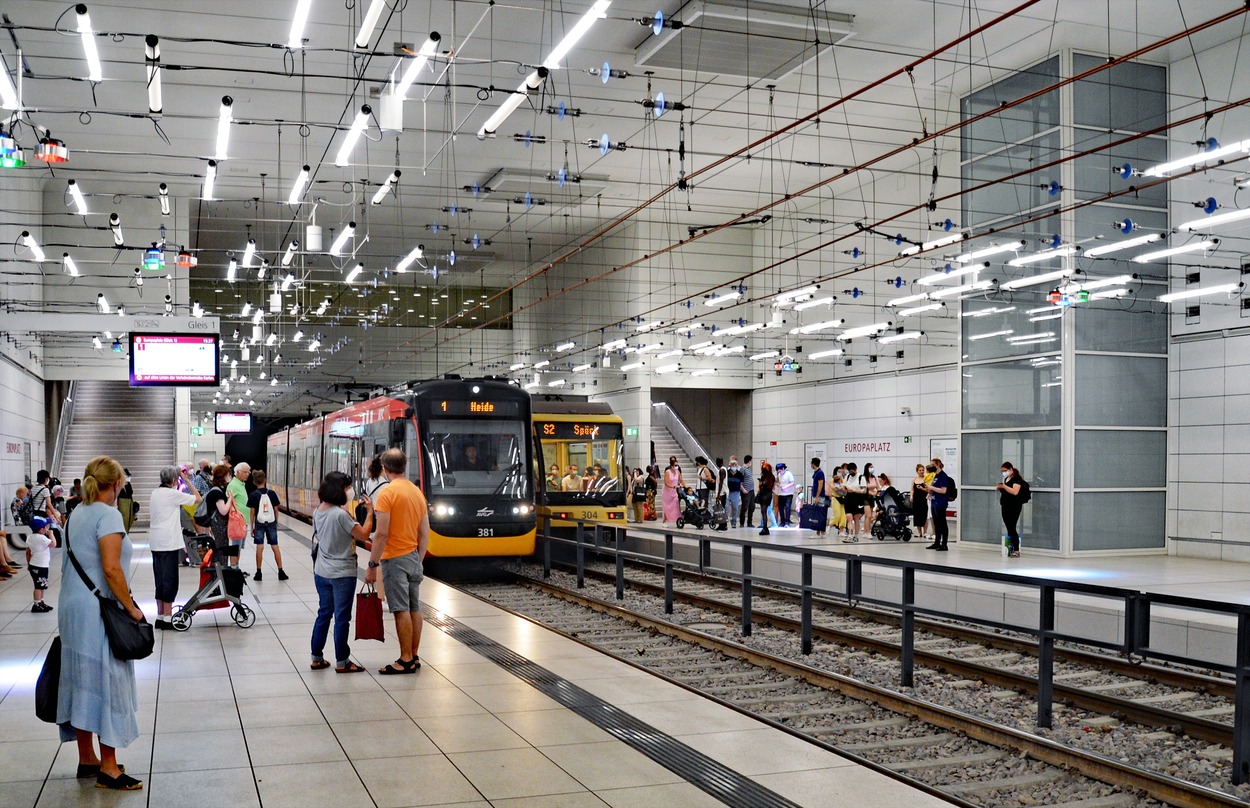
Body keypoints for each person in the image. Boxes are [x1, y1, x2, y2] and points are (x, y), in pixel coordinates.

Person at [56, 455, 145, 791]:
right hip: (98, 609)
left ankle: (87, 757)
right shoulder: (108, 516)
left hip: (72, 606)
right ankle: (108, 767)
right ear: (118, 484)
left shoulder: (75, 512)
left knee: (82, 677)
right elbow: (111, 570)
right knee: (106, 679)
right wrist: (132, 609)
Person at [366, 449, 430, 675]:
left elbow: (381, 534)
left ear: (385, 468)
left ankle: (404, 660)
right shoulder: (416, 492)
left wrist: (372, 565)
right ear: (405, 466)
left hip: (394, 558)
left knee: (400, 609)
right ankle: (414, 655)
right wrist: (418, 559)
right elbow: (425, 532)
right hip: (413, 556)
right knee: (414, 607)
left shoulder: (387, 493)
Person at [311, 471, 374, 674]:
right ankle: (343, 661)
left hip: (321, 571)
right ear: (339, 490)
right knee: (342, 618)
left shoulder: (318, 511)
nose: (350, 491)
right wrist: (371, 512)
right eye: (347, 487)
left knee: (324, 614)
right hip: (342, 573)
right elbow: (364, 535)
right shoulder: (340, 515)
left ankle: (316, 657)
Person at [149, 466, 200, 629]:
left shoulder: (155, 493)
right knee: (170, 580)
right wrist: (186, 480)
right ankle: (168, 619)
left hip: (155, 541)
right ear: (173, 480)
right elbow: (198, 498)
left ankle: (159, 617)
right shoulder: (172, 494)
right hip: (168, 542)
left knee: (160, 580)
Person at [248, 470, 286, 581]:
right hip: (271, 522)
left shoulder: (253, 495)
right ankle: (281, 571)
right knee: (275, 546)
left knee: (260, 547)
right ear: (265, 480)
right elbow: (276, 510)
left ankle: (258, 573)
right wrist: (276, 523)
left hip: (259, 523)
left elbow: (252, 512)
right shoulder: (272, 493)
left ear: (254, 482)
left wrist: (252, 527)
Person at [205, 464, 239, 565]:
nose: (230, 477)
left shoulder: (215, 490)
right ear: (223, 476)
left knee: (221, 546)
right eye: (228, 475)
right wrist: (230, 499)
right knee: (221, 547)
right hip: (219, 525)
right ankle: (221, 570)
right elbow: (223, 510)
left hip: (217, 524)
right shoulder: (217, 493)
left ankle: (221, 568)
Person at [26, 514, 56, 613]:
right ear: (41, 529)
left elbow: (28, 552)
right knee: (39, 586)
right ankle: (36, 604)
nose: (47, 528)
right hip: (41, 566)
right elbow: (53, 544)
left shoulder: (30, 537)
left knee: (41, 584)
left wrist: (28, 564)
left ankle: (41, 602)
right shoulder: (42, 538)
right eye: (45, 527)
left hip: (34, 564)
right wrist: (51, 534)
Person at [997, 462, 1027, 558]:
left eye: (1005, 471)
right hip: (1005, 504)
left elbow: (1015, 492)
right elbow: (1007, 490)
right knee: (1009, 527)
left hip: (1014, 506)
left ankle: (1016, 550)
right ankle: (1011, 548)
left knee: (1011, 527)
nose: (1004, 473)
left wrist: (1004, 486)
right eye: (1003, 471)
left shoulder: (1017, 478)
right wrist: (1001, 488)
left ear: (1010, 469)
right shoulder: (1007, 479)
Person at [924, 458, 951, 551]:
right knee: (936, 523)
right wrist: (929, 491)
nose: (931, 467)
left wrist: (931, 487)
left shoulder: (943, 476)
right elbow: (933, 488)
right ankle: (937, 542)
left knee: (942, 523)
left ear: (938, 465)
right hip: (934, 501)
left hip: (940, 502)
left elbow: (943, 490)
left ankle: (944, 544)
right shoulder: (935, 475)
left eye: (933, 465)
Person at [227, 463, 251, 556]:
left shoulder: (241, 484)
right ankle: (234, 567)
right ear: (237, 472)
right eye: (245, 472)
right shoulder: (233, 485)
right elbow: (229, 500)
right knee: (236, 546)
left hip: (243, 521)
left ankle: (236, 567)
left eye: (248, 472)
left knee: (239, 547)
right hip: (237, 521)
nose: (247, 474)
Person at [662, 456, 684, 523]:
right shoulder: (667, 472)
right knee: (667, 507)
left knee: (675, 504)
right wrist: (674, 486)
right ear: (671, 465)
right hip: (667, 492)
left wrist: (685, 486)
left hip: (674, 492)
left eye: (677, 465)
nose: (676, 466)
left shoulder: (678, 472)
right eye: (675, 465)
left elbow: (681, 480)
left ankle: (677, 518)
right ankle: (664, 520)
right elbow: (666, 483)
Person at [911, 464, 931, 540]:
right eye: (920, 470)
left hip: (924, 498)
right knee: (917, 515)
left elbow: (928, 490)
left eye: (923, 470)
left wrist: (922, 488)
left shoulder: (926, 479)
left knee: (924, 515)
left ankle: (925, 531)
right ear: (917, 471)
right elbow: (912, 489)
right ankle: (920, 532)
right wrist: (911, 496)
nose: (921, 472)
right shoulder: (914, 479)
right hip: (916, 499)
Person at [810, 458, 827, 538]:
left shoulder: (820, 473)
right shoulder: (816, 472)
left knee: (819, 514)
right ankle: (821, 532)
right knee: (819, 513)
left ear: (813, 464)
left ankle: (819, 532)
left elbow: (820, 485)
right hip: (817, 495)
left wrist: (817, 496)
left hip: (819, 496)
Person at [757, 461, 775, 536]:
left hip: (764, 494)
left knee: (763, 512)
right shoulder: (772, 477)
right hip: (768, 494)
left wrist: (761, 483)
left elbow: (763, 486)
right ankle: (765, 527)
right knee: (764, 511)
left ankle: (765, 527)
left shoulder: (765, 477)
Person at [775, 462, 795, 527]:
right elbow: (778, 482)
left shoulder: (789, 474)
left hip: (788, 494)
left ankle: (787, 522)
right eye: (778, 470)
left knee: (787, 508)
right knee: (781, 508)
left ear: (783, 468)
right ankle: (782, 522)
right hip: (781, 494)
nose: (779, 471)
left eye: (780, 470)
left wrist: (785, 487)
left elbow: (792, 483)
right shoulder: (779, 475)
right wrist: (778, 485)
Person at [117, 469, 137, 533]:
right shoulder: (119, 485)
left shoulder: (128, 485)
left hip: (128, 505)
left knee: (127, 521)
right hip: (123, 504)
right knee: (124, 521)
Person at [725, 457, 744, 527]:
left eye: (735, 464)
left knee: (735, 508)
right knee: (726, 507)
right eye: (732, 464)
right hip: (727, 492)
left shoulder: (739, 474)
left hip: (736, 492)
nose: (734, 466)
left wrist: (742, 489)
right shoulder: (727, 473)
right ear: (730, 465)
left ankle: (734, 522)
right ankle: (725, 521)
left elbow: (742, 483)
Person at [740, 455, 756, 528]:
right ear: (749, 461)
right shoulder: (742, 469)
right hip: (746, 491)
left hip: (751, 490)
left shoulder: (749, 469)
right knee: (744, 507)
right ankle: (742, 523)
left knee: (752, 507)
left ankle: (749, 522)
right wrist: (743, 489)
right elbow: (740, 481)